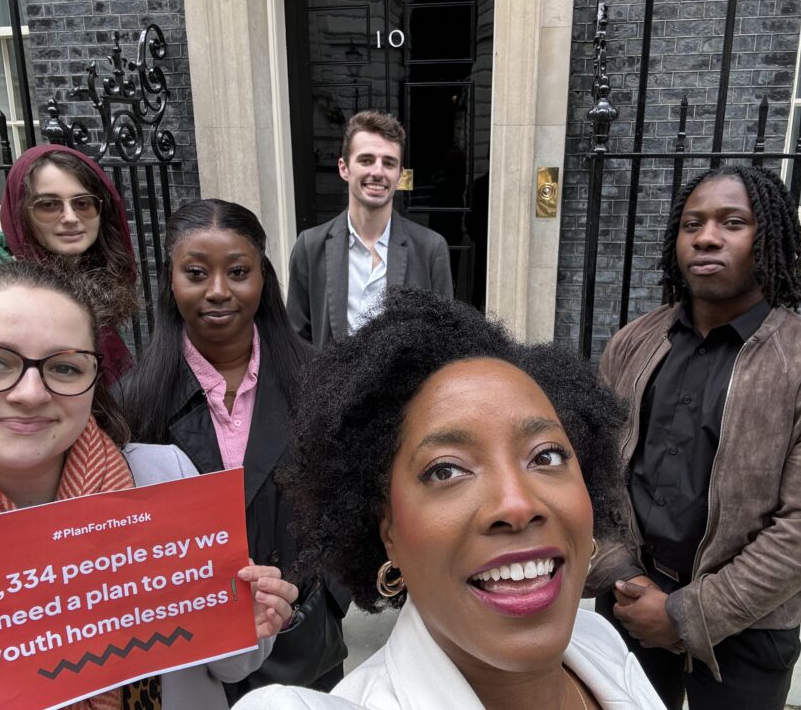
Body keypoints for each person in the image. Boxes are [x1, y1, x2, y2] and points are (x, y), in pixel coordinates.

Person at [233, 288, 666, 710]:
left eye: (547, 455)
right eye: (446, 470)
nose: (517, 505)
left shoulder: (598, 639)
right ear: (389, 534)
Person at [0, 261, 297, 710]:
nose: (29, 393)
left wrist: (250, 623)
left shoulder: (165, 475)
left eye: (63, 368)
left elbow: (230, 667)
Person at [587, 165, 801, 710]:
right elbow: (594, 473)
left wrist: (685, 616)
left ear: (768, 240)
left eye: (732, 222)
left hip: (748, 627)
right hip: (629, 601)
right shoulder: (632, 345)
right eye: (692, 223)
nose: (707, 236)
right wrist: (621, 577)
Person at [118, 199, 347, 697]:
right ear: (171, 280)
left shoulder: (320, 381)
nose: (219, 291)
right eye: (196, 273)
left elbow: (350, 492)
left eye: (238, 271)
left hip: (301, 641)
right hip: (194, 658)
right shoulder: (134, 402)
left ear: (263, 277)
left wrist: (327, 596)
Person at [0, 144, 138, 385]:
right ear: (20, 213)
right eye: (48, 205)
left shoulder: (91, 275)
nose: (70, 218)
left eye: (83, 203)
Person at [286, 111, 454, 347]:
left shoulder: (431, 248)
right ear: (344, 168)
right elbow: (295, 339)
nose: (377, 171)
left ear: (399, 175)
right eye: (366, 160)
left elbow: (444, 337)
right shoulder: (310, 246)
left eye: (388, 163)